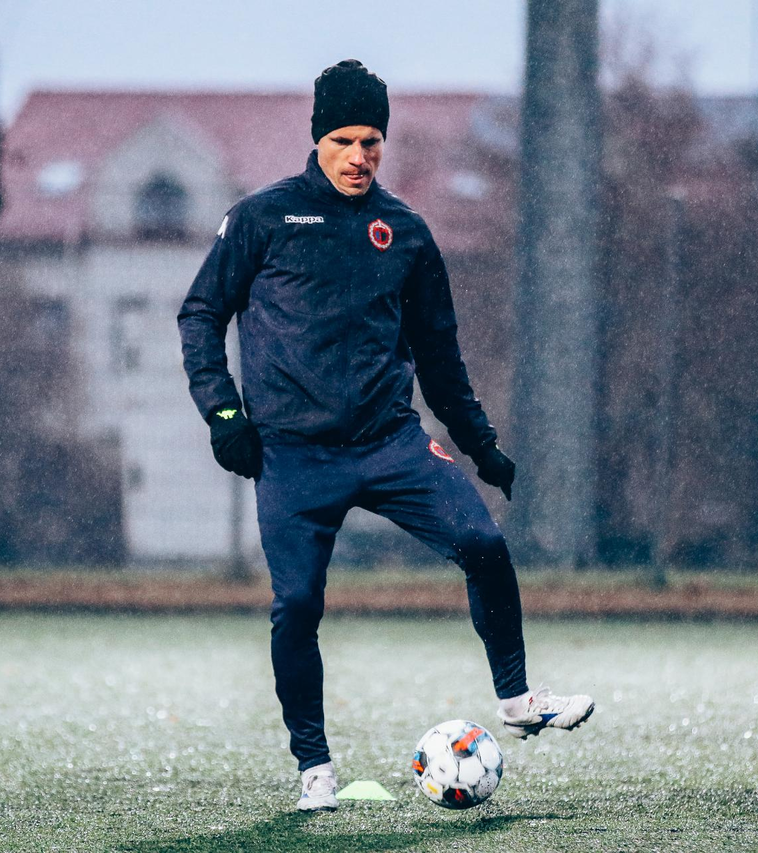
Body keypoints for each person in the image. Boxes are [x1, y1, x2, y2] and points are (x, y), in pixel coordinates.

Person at [178, 60, 594, 811]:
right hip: (293, 454)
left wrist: (480, 443)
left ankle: (518, 697)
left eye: (371, 141)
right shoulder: (263, 219)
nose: (358, 156)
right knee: (296, 605)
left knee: (484, 542)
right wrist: (224, 412)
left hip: (389, 442)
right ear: (318, 139)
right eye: (343, 140)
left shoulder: (405, 233)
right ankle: (314, 767)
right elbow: (200, 313)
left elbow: (440, 356)